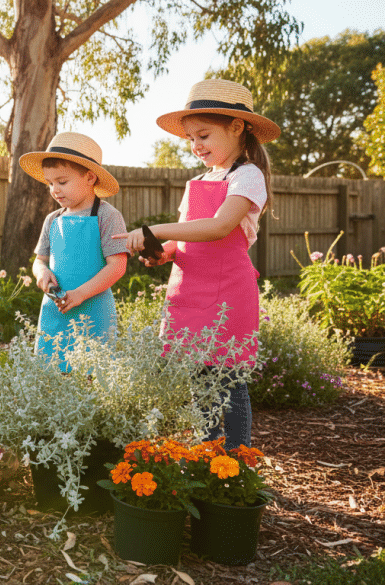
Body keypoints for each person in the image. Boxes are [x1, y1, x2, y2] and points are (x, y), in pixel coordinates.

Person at [114, 79, 280, 450]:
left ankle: (237, 463)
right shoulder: (199, 181)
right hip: (190, 291)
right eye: (190, 138)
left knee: (230, 382)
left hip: (226, 295)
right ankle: (209, 457)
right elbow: (187, 238)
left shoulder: (247, 176)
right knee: (200, 383)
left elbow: (220, 226)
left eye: (203, 135)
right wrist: (164, 251)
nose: (196, 146)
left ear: (237, 127)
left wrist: (153, 228)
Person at [19, 132, 128, 369]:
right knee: (52, 374)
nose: (54, 190)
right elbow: (40, 260)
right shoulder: (52, 219)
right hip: (55, 310)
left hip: (94, 311)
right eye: (50, 183)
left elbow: (117, 266)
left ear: (90, 178)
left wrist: (80, 294)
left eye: (62, 181)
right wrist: (41, 274)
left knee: (93, 376)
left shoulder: (107, 216)